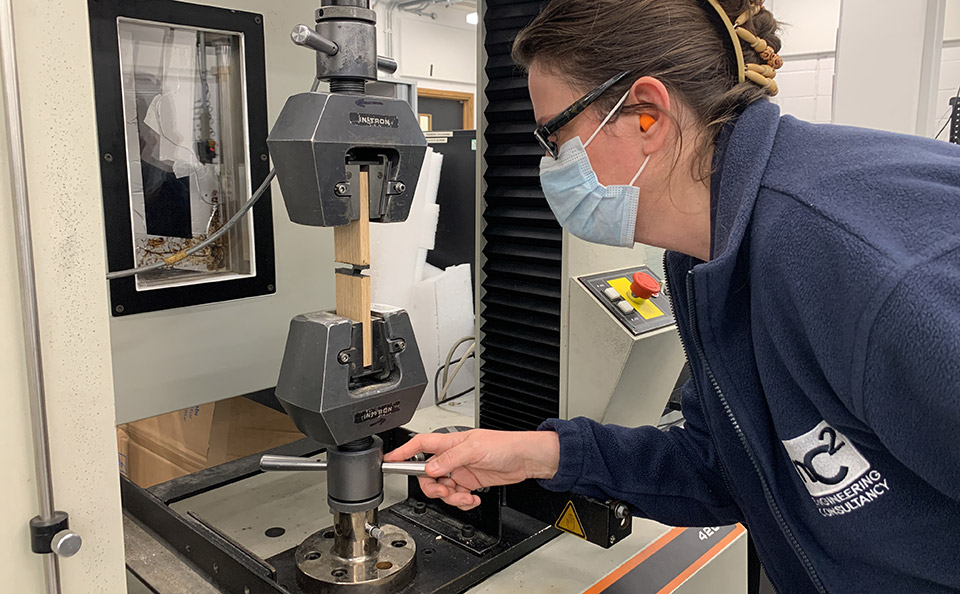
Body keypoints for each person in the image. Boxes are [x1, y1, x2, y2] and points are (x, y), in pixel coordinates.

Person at [385, 1, 960, 592]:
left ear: (647, 115)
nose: (548, 164)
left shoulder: (866, 264)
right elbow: (725, 467)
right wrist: (539, 454)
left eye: (555, 136)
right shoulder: (702, 258)